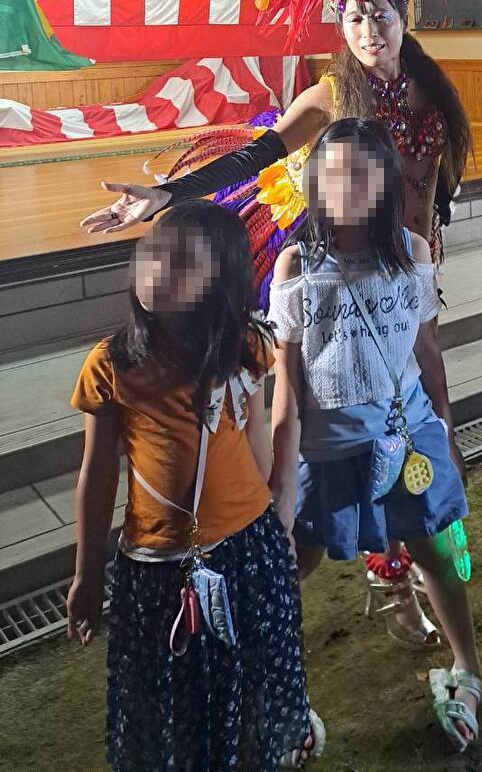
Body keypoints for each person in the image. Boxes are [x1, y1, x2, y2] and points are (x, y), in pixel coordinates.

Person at [80, 0, 482, 649]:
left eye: (380, 9)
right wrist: (163, 198)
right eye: (353, 16)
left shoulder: (433, 89)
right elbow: (257, 156)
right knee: (322, 417)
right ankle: (304, 553)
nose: (368, 27)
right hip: (329, 269)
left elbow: (438, 178)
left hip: (406, 269)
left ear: (401, 7)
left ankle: (411, 561)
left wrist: (430, 242)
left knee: (409, 410)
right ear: (340, 27)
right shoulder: (323, 91)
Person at [67, 201, 324, 771]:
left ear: (223, 279)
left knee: (253, 670)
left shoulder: (247, 350)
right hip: (157, 565)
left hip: (248, 554)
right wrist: (86, 574)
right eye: (153, 256)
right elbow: (98, 472)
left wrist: (275, 524)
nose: (159, 272)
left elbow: (257, 450)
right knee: (171, 692)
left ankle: (261, 750)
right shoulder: (111, 365)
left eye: (183, 263)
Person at [267, 116, 482, 754]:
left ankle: (468, 670)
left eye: (364, 172)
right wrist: (282, 471)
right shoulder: (295, 266)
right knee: (289, 569)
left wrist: (446, 426)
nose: (348, 184)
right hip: (328, 449)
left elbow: (427, 347)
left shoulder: (412, 253)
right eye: (334, 172)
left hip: (408, 438)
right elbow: (287, 378)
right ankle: (279, 691)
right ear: (313, 181)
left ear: (388, 180)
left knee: (437, 554)